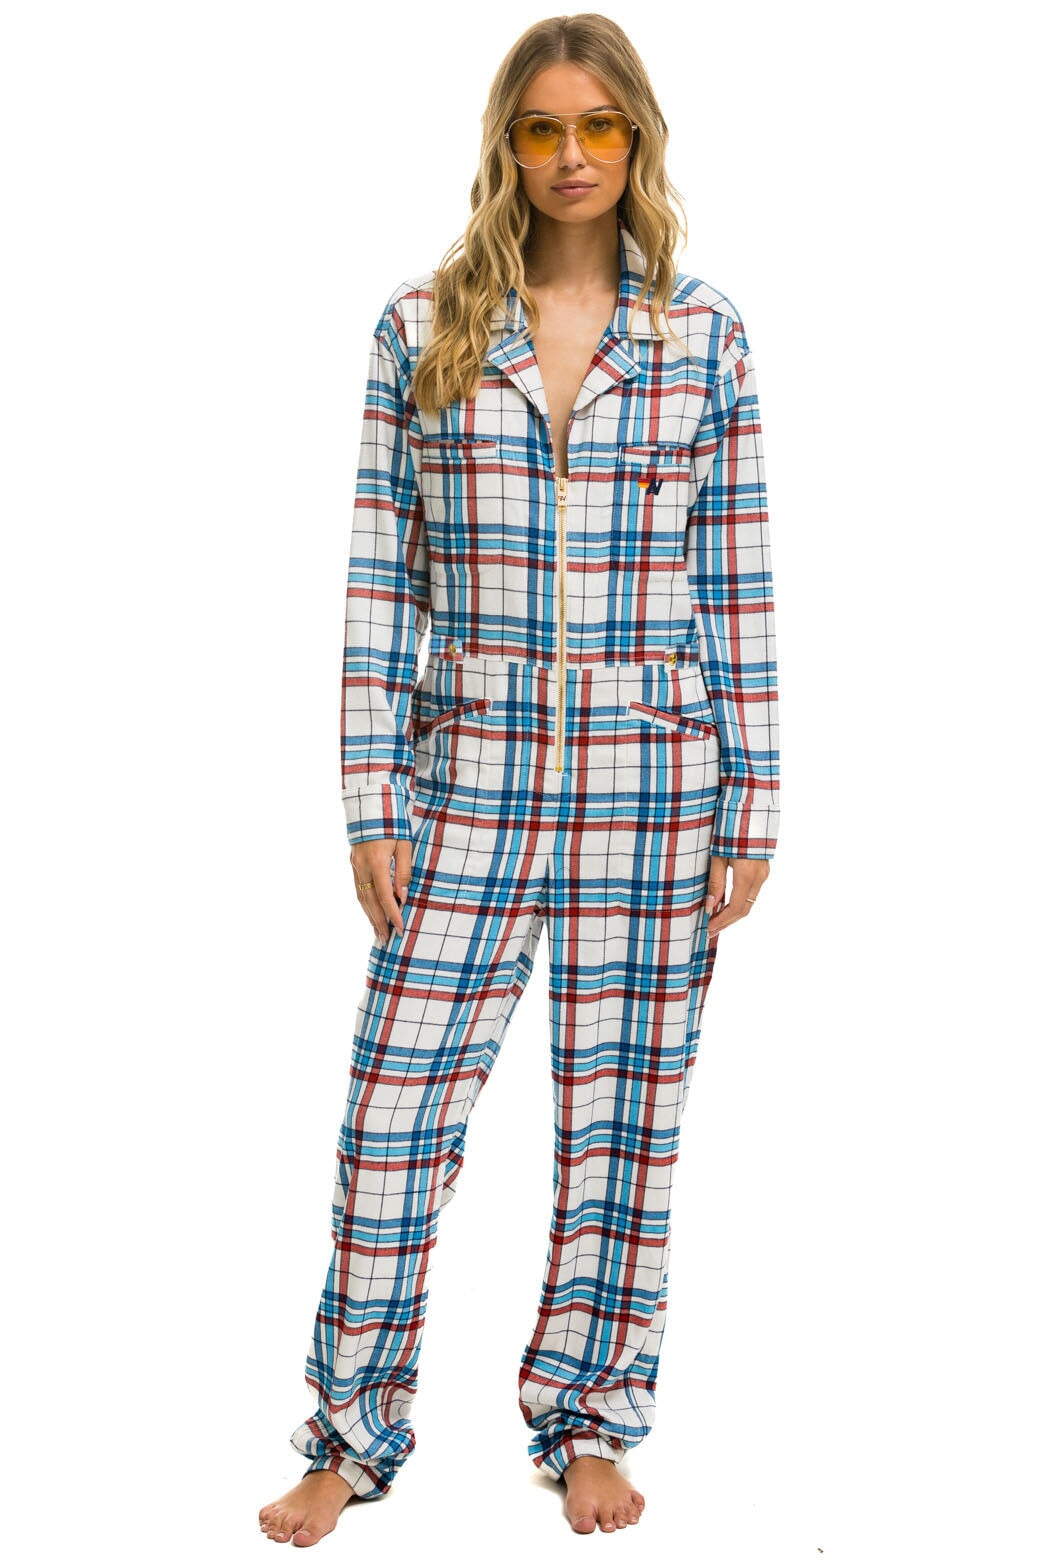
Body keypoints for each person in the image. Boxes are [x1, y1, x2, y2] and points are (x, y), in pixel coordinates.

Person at [259, 12, 780, 1546]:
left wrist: (753, 799)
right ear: (508, 144)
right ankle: (351, 1435)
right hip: (467, 775)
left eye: (598, 127)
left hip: (652, 777)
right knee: (392, 1117)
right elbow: (381, 581)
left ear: (637, 141)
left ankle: (589, 1422)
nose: (570, 157)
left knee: (624, 1124)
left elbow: (735, 582)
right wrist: (371, 797)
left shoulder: (703, 336)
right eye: (542, 129)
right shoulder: (420, 327)